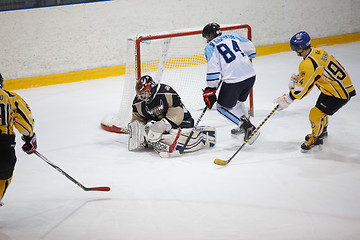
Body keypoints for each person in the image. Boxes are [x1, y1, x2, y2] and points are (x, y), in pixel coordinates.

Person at [274, 31, 356, 152]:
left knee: (315, 114)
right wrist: (300, 78)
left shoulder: (307, 64)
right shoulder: (319, 52)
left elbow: (302, 91)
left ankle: (316, 138)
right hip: (333, 88)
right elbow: (316, 73)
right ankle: (322, 131)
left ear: (300, 48)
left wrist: (288, 98)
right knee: (320, 112)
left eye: (295, 48)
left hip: (339, 94)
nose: (294, 50)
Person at [201, 22, 259, 144]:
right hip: (250, 76)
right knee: (237, 103)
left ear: (211, 36)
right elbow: (252, 51)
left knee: (222, 107)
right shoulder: (234, 36)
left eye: (207, 38)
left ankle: (247, 127)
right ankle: (245, 125)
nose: (207, 41)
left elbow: (213, 69)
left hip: (234, 80)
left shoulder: (211, 46)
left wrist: (210, 89)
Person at [128, 75, 215, 153]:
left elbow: (177, 110)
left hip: (182, 119)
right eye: (141, 94)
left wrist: (164, 124)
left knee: (174, 132)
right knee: (154, 132)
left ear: (151, 88)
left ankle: (201, 137)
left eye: (145, 92)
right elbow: (138, 119)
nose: (143, 96)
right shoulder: (138, 103)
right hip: (160, 123)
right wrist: (138, 130)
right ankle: (160, 139)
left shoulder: (166, 92)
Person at [0, 73, 37, 206]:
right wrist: (29, 138)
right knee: (4, 174)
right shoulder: (11, 98)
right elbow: (25, 124)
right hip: (3, 143)